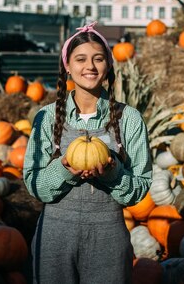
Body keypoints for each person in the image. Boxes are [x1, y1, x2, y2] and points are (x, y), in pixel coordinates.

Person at [23, 21, 152, 284]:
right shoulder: (46, 118)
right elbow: (35, 184)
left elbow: (140, 187)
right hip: (54, 237)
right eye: (80, 59)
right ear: (67, 67)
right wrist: (64, 169)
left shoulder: (130, 119)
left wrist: (113, 173)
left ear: (108, 66)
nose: (90, 67)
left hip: (108, 237)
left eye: (98, 59)